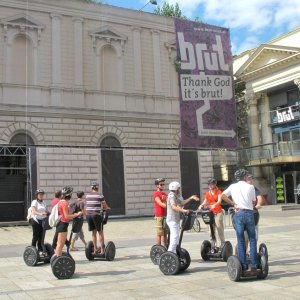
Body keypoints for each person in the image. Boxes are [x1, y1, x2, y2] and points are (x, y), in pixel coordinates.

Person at [221, 169, 262, 276]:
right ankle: (254, 265)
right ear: (244, 177)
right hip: (249, 213)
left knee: (241, 239)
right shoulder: (250, 187)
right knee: (252, 239)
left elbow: (222, 196)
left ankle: (243, 266)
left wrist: (233, 204)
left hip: (238, 214)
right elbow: (254, 201)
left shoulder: (233, 186)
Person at [166, 181, 200, 253]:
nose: (179, 189)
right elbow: (174, 207)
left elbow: (182, 202)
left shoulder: (176, 195)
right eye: (179, 188)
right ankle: (170, 253)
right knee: (174, 237)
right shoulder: (171, 195)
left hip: (176, 219)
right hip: (172, 220)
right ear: (176, 189)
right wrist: (183, 210)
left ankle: (174, 252)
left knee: (176, 238)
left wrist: (191, 198)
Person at [54, 186, 83, 257]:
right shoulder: (65, 203)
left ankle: (58, 258)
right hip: (63, 224)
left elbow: (65, 214)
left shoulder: (61, 202)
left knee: (60, 243)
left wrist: (73, 214)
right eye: (71, 194)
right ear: (68, 195)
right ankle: (58, 259)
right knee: (60, 244)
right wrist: (77, 215)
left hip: (61, 224)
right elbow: (66, 216)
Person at [85, 182, 111, 255]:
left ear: (91, 188)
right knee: (100, 231)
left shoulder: (87, 196)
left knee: (93, 232)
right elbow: (105, 205)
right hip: (96, 215)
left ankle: (95, 249)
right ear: (97, 188)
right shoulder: (100, 195)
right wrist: (108, 208)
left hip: (88, 215)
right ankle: (102, 250)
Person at [198, 178, 225, 247]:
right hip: (210, 214)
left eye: (211, 184)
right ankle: (213, 244)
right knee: (211, 230)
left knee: (219, 228)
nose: (210, 185)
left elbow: (219, 201)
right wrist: (201, 205)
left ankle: (222, 244)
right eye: (209, 184)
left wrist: (214, 205)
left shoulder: (219, 192)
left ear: (214, 184)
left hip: (218, 212)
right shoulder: (208, 193)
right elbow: (205, 201)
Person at [152, 178, 168, 247]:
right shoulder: (156, 194)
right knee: (159, 233)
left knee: (165, 233)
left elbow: (168, 202)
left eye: (163, 184)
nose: (162, 186)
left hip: (165, 215)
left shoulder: (164, 194)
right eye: (161, 184)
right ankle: (158, 248)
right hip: (159, 216)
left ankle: (165, 247)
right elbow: (160, 203)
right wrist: (169, 207)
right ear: (157, 186)